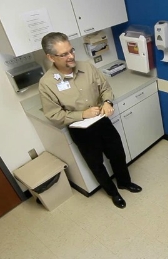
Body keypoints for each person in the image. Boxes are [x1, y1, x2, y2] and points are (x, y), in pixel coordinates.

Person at [38, 32, 142, 209]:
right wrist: (81, 115)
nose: (71, 56)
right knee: (96, 164)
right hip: (81, 130)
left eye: (71, 50)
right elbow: (54, 115)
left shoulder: (87, 67)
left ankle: (124, 183)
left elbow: (105, 88)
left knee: (117, 154)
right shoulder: (47, 84)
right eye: (64, 54)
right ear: (50, 57)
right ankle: (113, 193)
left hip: (102, 121)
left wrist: (108, 102)